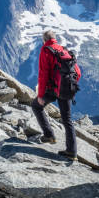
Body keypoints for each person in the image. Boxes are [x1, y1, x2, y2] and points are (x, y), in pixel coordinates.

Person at [31, 29, 81, 160]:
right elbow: (78, 73)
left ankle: (49, 135)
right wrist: (70, 86)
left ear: (44, 40)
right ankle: (72, 152)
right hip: (66, 90)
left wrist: (41, 95)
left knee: (36, 105)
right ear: (55, 39)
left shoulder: (46, 50)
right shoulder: (63, 50)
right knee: (67, 119)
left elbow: (43, 75)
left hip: (53, 89)